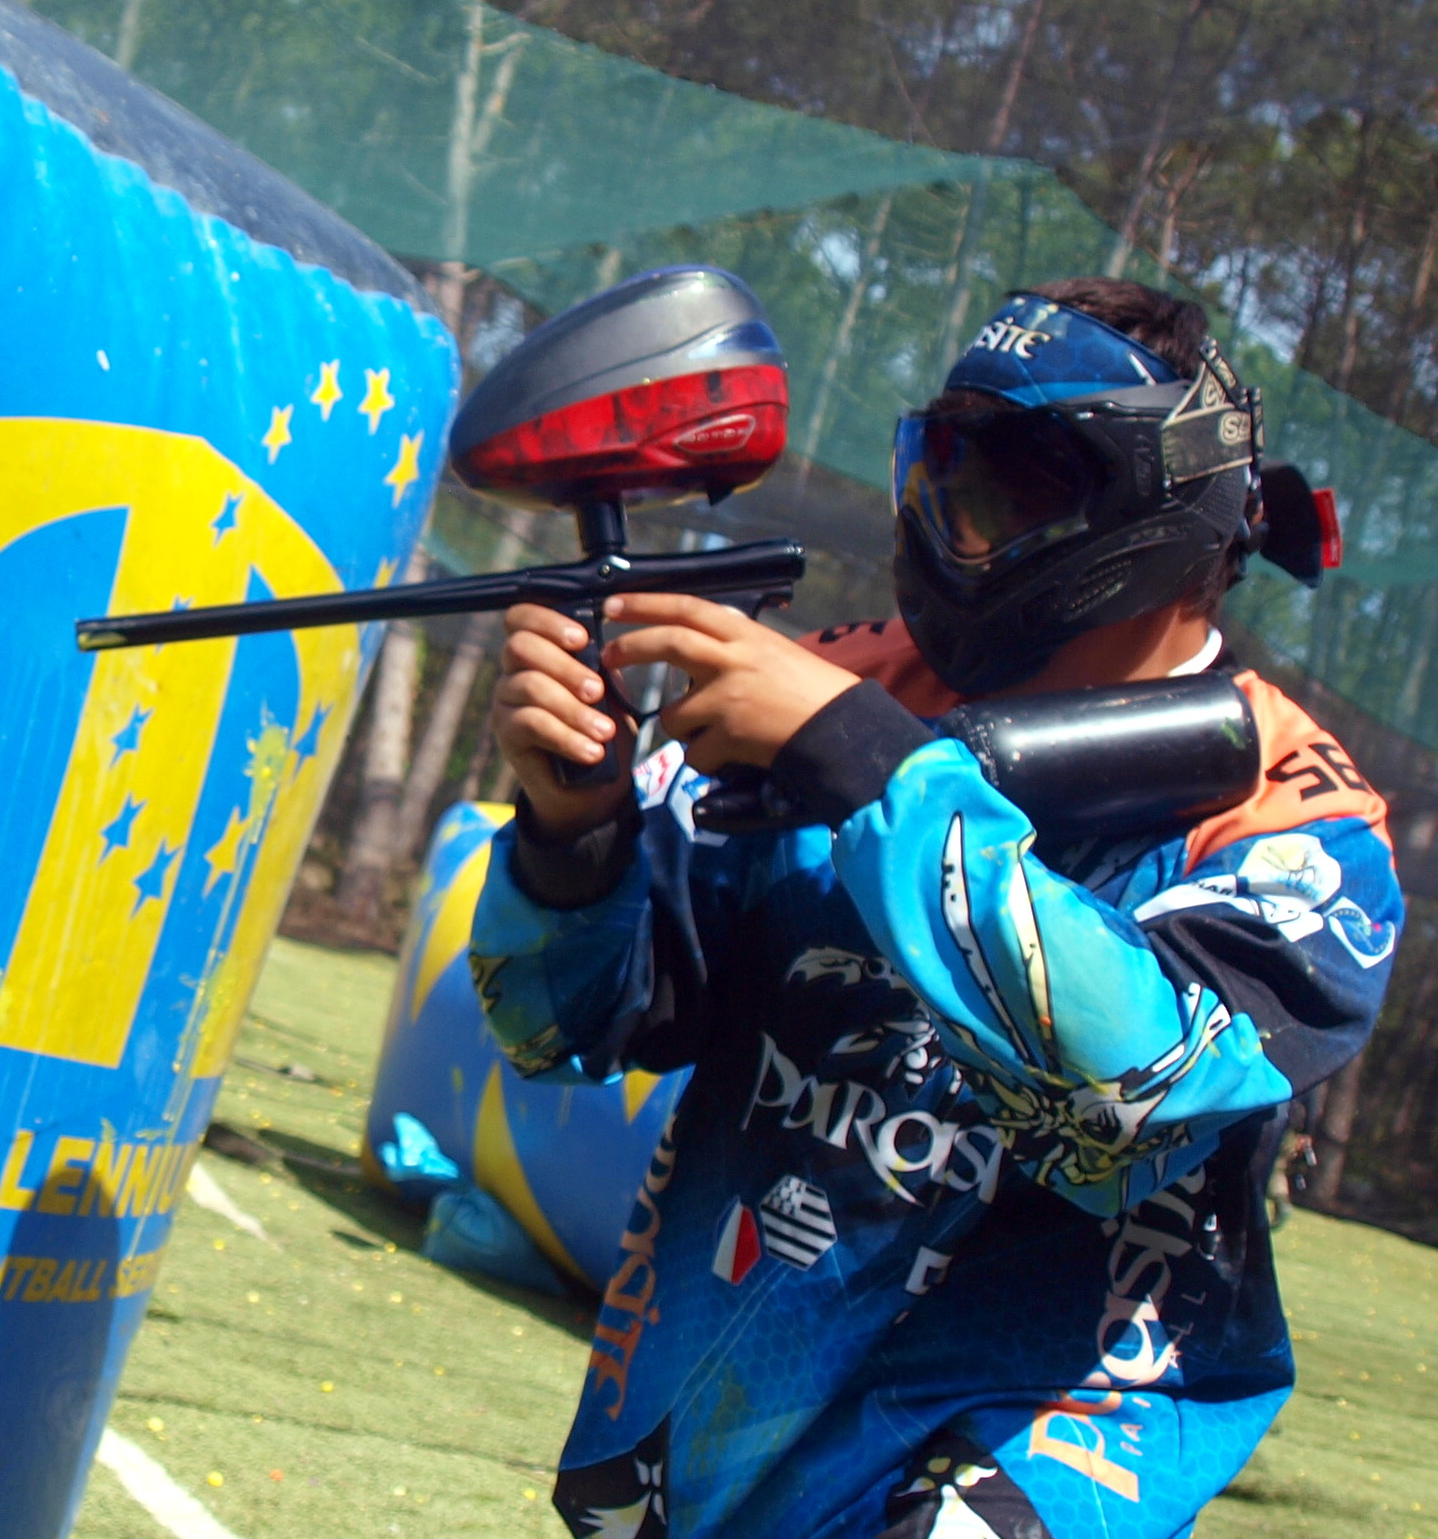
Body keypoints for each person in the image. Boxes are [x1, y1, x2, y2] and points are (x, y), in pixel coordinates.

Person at [467, 278, 1403, 1539]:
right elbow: (560, 1029)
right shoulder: (839, 684)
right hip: (704, 1441)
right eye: (943, 478)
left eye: (1010, 492)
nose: (952, 527)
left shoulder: (1295, 820)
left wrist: (871, 769)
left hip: (1024, 1460)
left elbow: (1131, 1093)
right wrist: (573, 833)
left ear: (1166, 521)